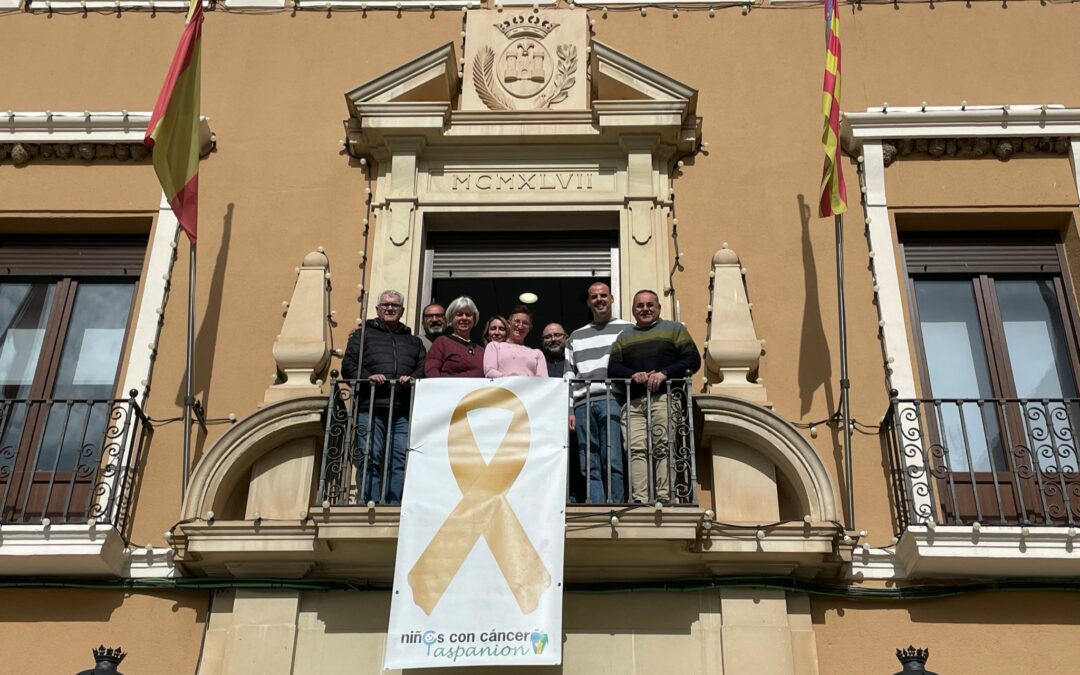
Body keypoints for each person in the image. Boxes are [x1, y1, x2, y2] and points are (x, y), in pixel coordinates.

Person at [608, 289, 701, 503]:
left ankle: (664, 496)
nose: (645, 309)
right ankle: (640, 498)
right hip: (634, 403)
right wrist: (634, 375)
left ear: (658, 308)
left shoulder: (674, 329)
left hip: (664, 398)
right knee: (635, 449)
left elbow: (692, 359)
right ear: (633, 310)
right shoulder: (624, 337)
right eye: (640, 305)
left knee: (663, 446)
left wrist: (664, 374)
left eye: (650, 305)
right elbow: (612, 368)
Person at [341, 289, 426, 505]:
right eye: (385, 305)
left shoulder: (413, 341)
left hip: (402, 408)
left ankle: (394, 503)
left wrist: (412, 378)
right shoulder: (362, 335)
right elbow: (348, 366)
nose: (390, 308)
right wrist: (367, 377)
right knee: (370, 455)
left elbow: (422, 368)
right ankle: (370, 501)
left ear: (402, 310)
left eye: (394, 305)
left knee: (398, 458)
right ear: (378, 309)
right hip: (370, 407)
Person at [565, 282, 633, 503]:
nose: (599, 299)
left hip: (612, 398)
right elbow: (569, 377)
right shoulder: (575, 336)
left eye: (603, 295)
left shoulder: (627, 329)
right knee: (589, 461)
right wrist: (569, 410)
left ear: (612, 298)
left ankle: (614, 507)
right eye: (594, 297)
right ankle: (597, 505)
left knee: (613, 458)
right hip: (582, 403)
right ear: (588, 302)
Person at [424, 296, 485, 378]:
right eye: (459, 314)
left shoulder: (481, 351)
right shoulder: (442, 342)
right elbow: (431, 371)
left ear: (474, 319)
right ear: (451, 318)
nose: (464, 318)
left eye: (468, 315)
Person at [483, 305, 547, 377]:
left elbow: (543, 380)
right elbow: (489, 372)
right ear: (509, 323)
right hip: (504, 388)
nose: (520, 326)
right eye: (517, 321)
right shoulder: (494, 346)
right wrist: (510, 379)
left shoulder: (537, 354)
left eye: (525, 323)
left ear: (530, 328)